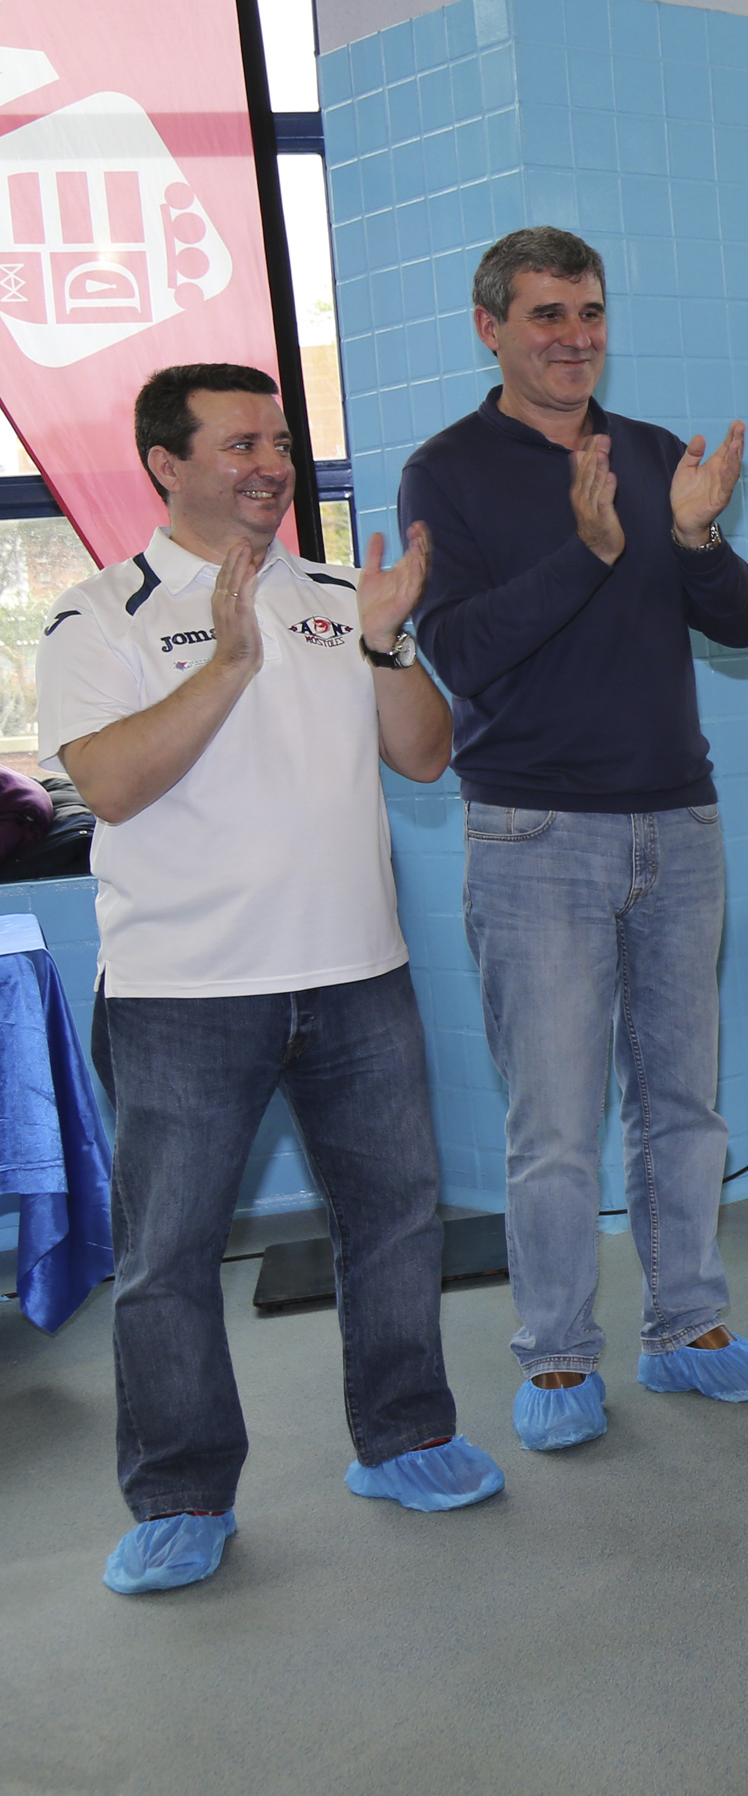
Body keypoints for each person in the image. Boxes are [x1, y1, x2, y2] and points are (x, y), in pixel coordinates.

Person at [39, 364, 503, 1594]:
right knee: (169, 1257)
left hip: (357, 976)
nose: (270, 464)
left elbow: (426, 758)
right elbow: (112, 787)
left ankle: (405, 1437)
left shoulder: (344, 596)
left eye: (281, 441)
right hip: (185, 995)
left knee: (395, 1221)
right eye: (240, 442)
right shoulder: (100, 614)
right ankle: (182, 1495)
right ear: (166, 465)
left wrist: (388, 643)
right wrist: (229, 662)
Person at [398, 227, 748, 1452]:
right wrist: (590, 553)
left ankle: (688, 1330)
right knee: (558, 1125)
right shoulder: (445, 473)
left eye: (590, 313)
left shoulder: (653, 453)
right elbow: (460, 653)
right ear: (491, 329)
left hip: (678, 820)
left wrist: (694, 539)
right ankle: (560, 1355)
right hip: (534, 832)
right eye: (547, 315)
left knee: (684, 1107)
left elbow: (740, 624)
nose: (575, 338)